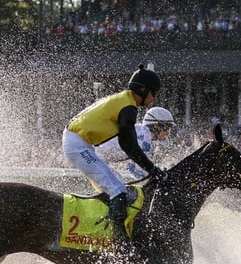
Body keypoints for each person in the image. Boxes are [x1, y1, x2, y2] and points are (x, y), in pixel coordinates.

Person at [62, 63, 165, 250]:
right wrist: (153, 170)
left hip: (80, 142)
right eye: (153, 93)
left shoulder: (124, 100)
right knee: (118, 189)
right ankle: (121, 243)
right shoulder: (128, 107)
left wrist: (151, 169)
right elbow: (129, 146)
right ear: (142, 89)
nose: (154, 98)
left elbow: (129, 145)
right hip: (77, 144)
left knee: (116, 184)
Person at [96, 106, 176, 179]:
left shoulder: (140, 130)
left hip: (95, 156)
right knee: (120, 187)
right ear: (156, 125)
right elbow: (134, 170)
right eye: (167, 127)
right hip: (95, 158)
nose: (168, 132)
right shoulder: (145, 140)